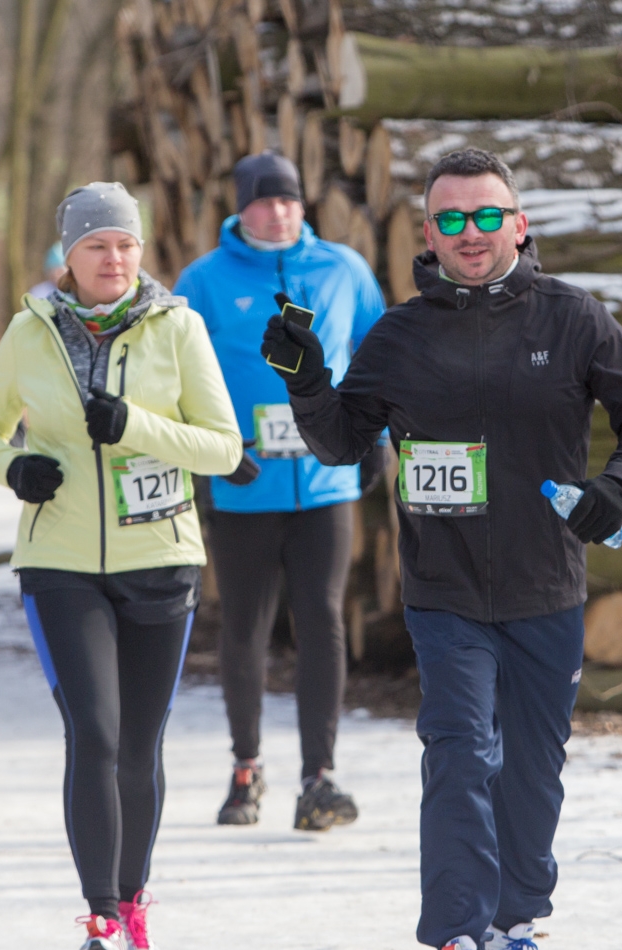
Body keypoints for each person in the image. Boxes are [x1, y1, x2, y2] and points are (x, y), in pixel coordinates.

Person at [262, 148, 622, 950]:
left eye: (488, 216)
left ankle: (514, 927)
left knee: (530, 769)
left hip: (547, 587)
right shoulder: (403, 336)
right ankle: (458, 941)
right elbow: (342, 441)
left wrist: (618, 486)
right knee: (458, 754)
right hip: (444, 594)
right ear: (428, 233)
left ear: (519, 225)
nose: (472, 234)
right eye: (452, 219)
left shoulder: (573, 319)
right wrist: (306, 383)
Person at [0, 183, 241, 950]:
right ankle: (100, 921)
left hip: (162, 556)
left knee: (139, 747)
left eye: (125, 243)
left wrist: (136, 426)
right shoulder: (29, 330)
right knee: (95, 732)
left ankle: (134, 895)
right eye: (96, 246)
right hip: (60, 565)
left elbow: (223, 447)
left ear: (140, 251)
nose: (112, 258)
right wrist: (17, 467)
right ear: (68, 257)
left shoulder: (178, 326)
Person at [174, 152, 387, 831]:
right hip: (245, 483)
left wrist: (376, 433)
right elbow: (178, 372)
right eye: (265, 201)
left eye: (290, 199)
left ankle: (318, 776)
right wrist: (213, 446)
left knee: (323, 618)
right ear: (242, 208)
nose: (279, 211)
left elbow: (380, 350)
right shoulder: (204, 281)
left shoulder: (344, 268)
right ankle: (246, 768)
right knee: (245, 626)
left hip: (327, 482)